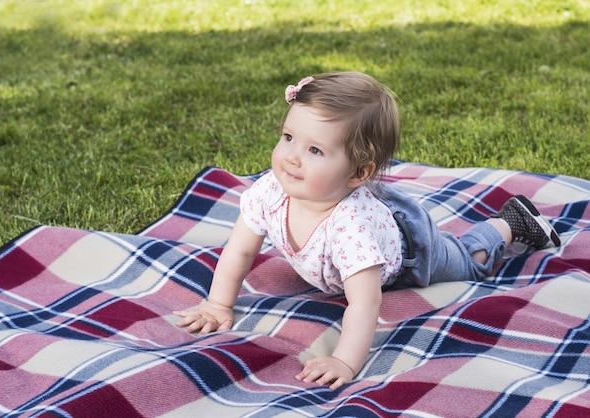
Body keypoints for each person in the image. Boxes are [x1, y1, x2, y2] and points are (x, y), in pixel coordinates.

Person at [174, 72, 561, 390]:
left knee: (467, 263)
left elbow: (364, 303)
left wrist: (344, 359)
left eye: (315, 151)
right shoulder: (269, 193)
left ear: (359, 173)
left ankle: (506, 225)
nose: (290, 156)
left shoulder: (351, 230)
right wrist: (218, 304)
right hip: (368, 207)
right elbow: (239, 251)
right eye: (289, 137)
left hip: (411, 248)